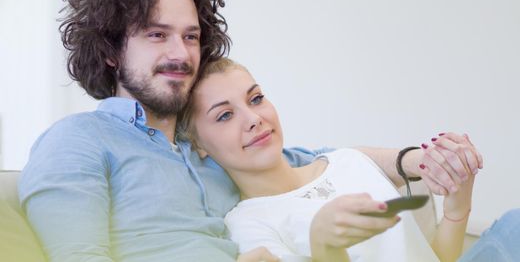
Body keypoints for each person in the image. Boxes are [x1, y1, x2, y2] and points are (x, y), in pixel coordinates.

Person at [18, 0, 481, 262]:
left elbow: (314, 161)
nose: (181, 53)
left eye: (191, 36)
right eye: (156, 35)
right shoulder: (77, 140)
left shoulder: (206, 152)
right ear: (112, 50)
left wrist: (422, 160)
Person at [178, 57, 519, 262]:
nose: (252, 118)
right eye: (224, 116)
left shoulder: (348, 161)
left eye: (256, 99)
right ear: (198, 144)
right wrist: (324, 245)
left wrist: (458, 205)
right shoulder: (248, 224)